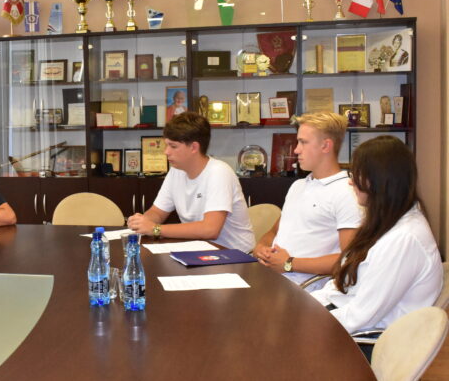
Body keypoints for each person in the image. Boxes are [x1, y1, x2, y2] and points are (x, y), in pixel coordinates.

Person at [311, 136, 442, 345]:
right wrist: (307, 304)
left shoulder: (404, 239)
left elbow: (361, 317)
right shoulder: (387, 221)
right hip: (347, 321)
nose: (350, 181)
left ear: (378, 180)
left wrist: (306, 323)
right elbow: (345, 287)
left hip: (366, 342)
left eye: (356, 174)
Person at [253, 112, 361, 288]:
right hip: (270, 279)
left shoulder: (347, 193)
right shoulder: (298, 185)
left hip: (304, 289)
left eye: (303, 142)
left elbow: (350, 260)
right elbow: (273, 232)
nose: (296, 150)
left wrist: (289, 263)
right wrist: (261, 247)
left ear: (326, 146)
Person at [127, 112, 254, 252]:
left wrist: (155, 229)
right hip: (200, 251)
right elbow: (157, 212)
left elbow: (210, 230)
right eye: (166, 145)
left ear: (194, 147)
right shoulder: (176, 171)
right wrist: (142, 222)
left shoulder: (219, 172)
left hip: (234, 255)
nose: (166, 152)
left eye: (173, 146)